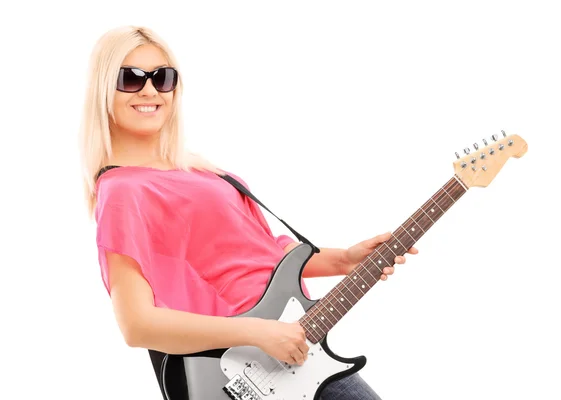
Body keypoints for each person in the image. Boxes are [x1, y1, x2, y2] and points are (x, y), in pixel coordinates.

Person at [79, 25, 418, 400]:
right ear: (103, 90)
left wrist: (343, 259)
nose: (149, 90)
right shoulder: (123, 189)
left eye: (163, 78)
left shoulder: (197, 168)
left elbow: (256, 258)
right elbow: (137, 325)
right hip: (243, 367)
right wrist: (259, 333)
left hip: (294, 354)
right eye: (130, 78)